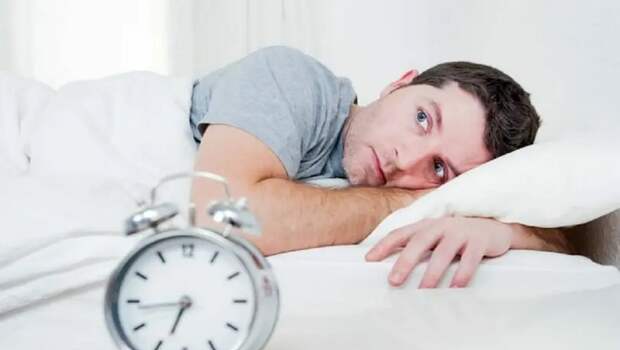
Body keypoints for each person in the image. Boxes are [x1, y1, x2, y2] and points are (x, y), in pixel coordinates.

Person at [189, 46, 571, 288]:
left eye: (439, 168)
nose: (405, 159)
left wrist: (502, 232)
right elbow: (222, 216)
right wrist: (410, 202)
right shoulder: (291, 78)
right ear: (399, 85)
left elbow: (561, 242)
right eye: (422, 118)